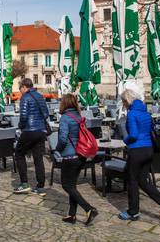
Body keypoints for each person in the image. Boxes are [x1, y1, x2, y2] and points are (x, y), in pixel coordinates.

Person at [118, 82, 160, 222]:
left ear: (128, 100)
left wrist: (125, 139)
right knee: (143, 181)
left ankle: (133, 212)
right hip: (148, 149)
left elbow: (134, 135)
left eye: (124, 101)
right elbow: (150, 129)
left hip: (137, 150)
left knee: (132, 180)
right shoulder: (145, 112)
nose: (123, 104)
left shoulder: (132, 114)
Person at [56, 94, 98, 225]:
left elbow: (63, 139)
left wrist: (57, 149)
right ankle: (71, 215)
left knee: (66, 185)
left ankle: (89, 209)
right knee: (72, 186)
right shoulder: (78, 117)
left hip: (69, 156)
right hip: (81, 155)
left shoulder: (65, 118)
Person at [13, 78, 50, 196]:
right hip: (41, 131)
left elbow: (23, 116)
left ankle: (24, 183)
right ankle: (40, 187)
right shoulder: (40, 96)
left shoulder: (25, 97)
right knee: (38, 159)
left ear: (24, 87)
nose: (20, 91)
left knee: (19, 153)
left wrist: (20, 126)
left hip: (29, 130)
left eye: (20, 89)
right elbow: (46, 114)